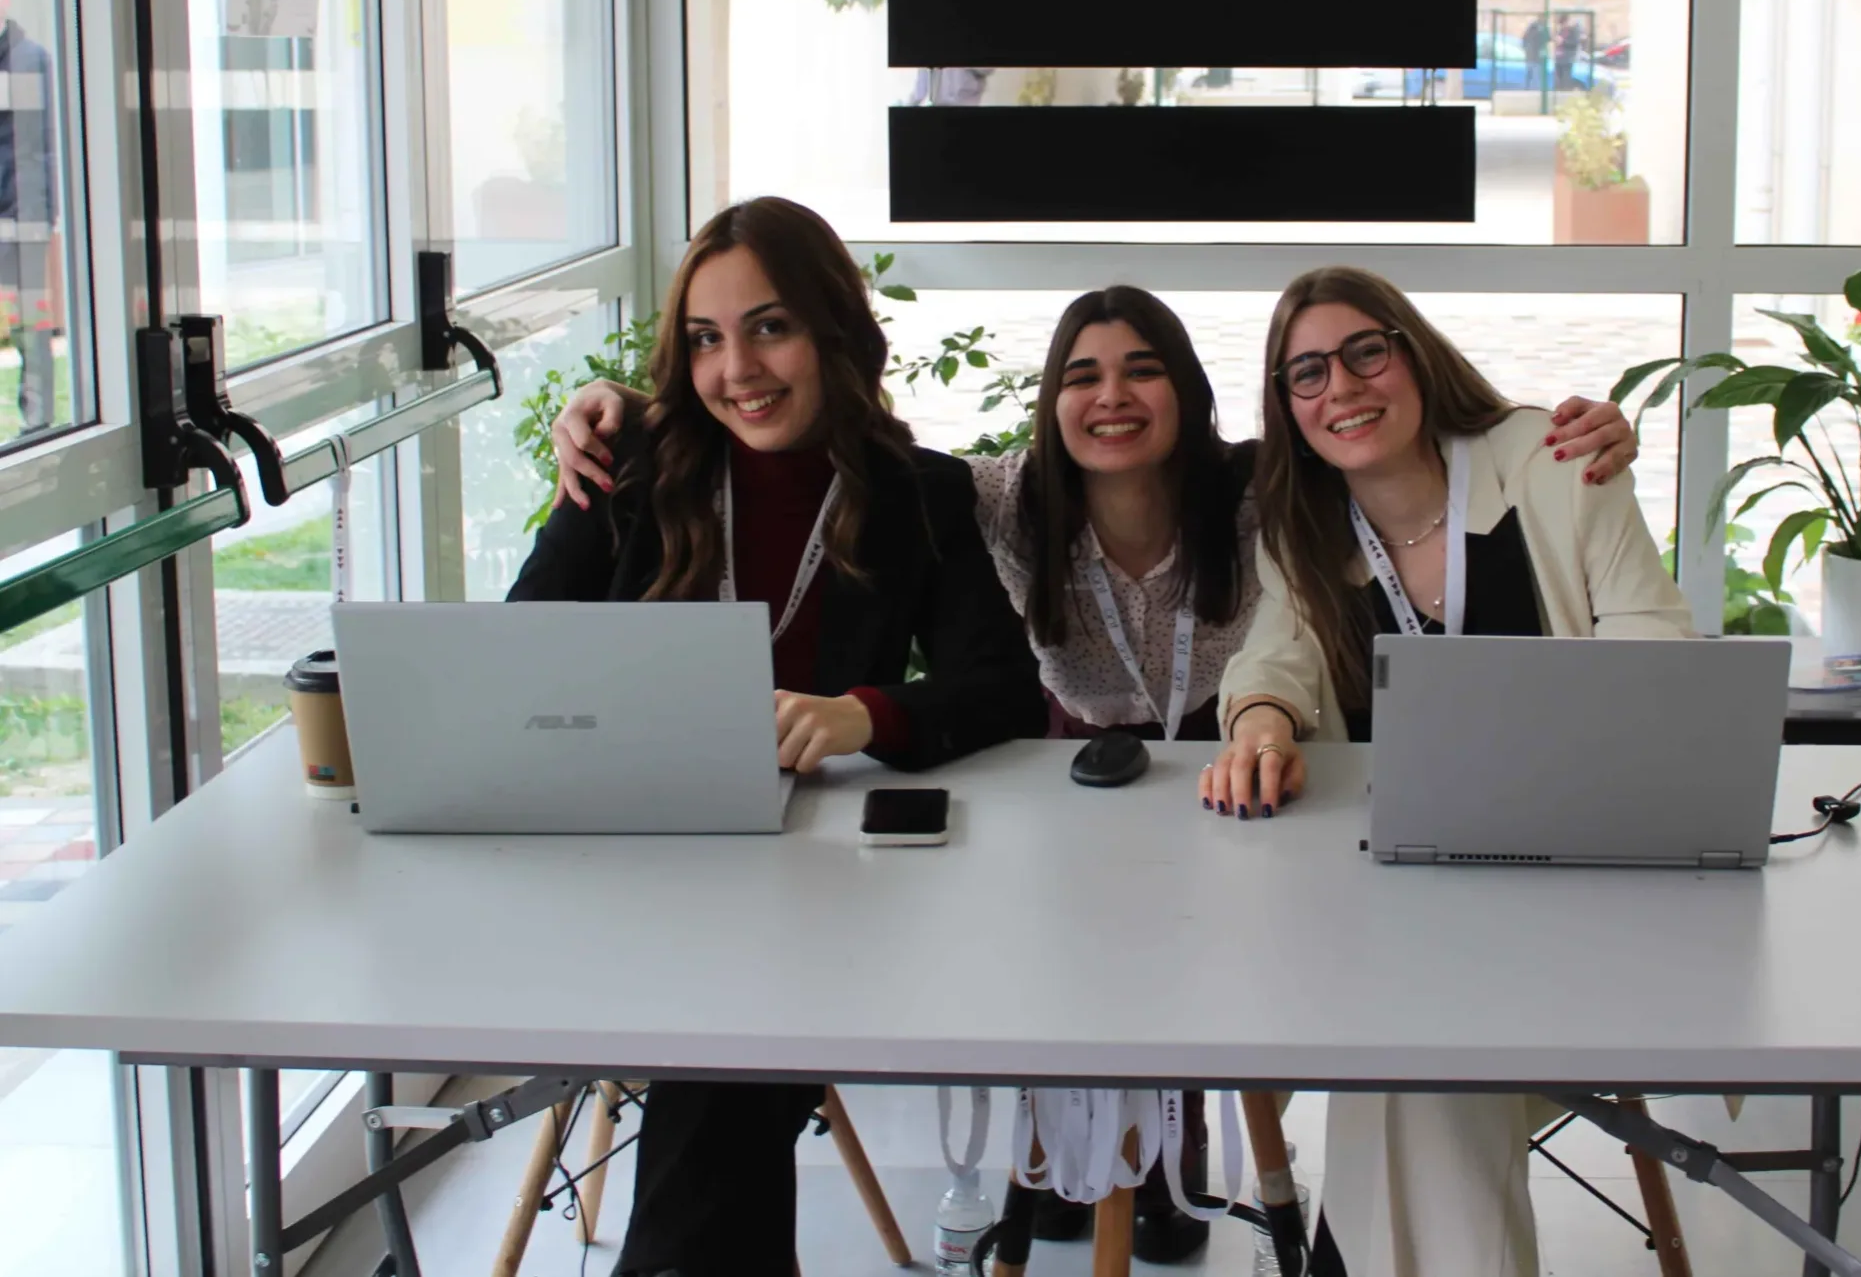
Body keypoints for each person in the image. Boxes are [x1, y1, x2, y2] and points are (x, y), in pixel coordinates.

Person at [548, 281, 1643, 1263]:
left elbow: (1319, 579)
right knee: (1063, 930)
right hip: (1082, 791)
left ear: (1190, 390)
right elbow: (886, 472)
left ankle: (1170, 1166)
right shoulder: (1006, 498)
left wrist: (1576, 427)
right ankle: (1058, 1168)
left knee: (1227, 953)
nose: (1111, 397)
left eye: (1141, 369)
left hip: (1235, 789)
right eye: (1080, 376)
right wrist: (626, 405)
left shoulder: (1262, 494)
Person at [508, 195, 1046, 1277]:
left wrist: (865, 712)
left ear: (834, 329)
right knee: (729, 1033)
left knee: (734, 1019)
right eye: (705, 338)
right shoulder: (628, 469)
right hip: (622, 869)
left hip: (807, 885)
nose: (737, 369)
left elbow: (1001, 689)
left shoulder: (917, 495)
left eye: (769, 327)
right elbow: (519, 654)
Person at [1198, 264, 1692, 1277]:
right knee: (1413, 1035)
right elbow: (1273, 658)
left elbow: (1658, 657)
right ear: (1287, 407)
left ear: (1414, 355)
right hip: (1408, 902)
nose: (1341, 386)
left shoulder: (1550, 461)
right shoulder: (1305, 527)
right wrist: (1260, 722)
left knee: (1412, 1049)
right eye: (1306, 372)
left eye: (1364, 352)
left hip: (1580, 888)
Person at [0, 0, 59, 435]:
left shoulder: (28, 58)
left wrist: (41, 216)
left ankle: (37, 425)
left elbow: (40, 145)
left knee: (30, 327)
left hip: (22, 217)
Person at [1554, 16, 1584, 92]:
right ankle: (1559, 91)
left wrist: (1563, 42)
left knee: (1566, 77)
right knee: (1558, 78)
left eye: (1564, 23)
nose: (1563, 25)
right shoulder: (1561, 31)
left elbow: (1574, 43)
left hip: (1567, 58)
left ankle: (1565, 91)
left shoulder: (1573, 31)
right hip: (1559, 58)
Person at [1521, 14, 1549, 93]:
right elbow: (1527, 39)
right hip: (1534, 56)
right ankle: (1532, 90)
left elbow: (1548, 38)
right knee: (1534, 74)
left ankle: (1530, 90)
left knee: (1533, 74)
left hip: (1535, 55)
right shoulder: (1536, 27)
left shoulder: (1542, 27)